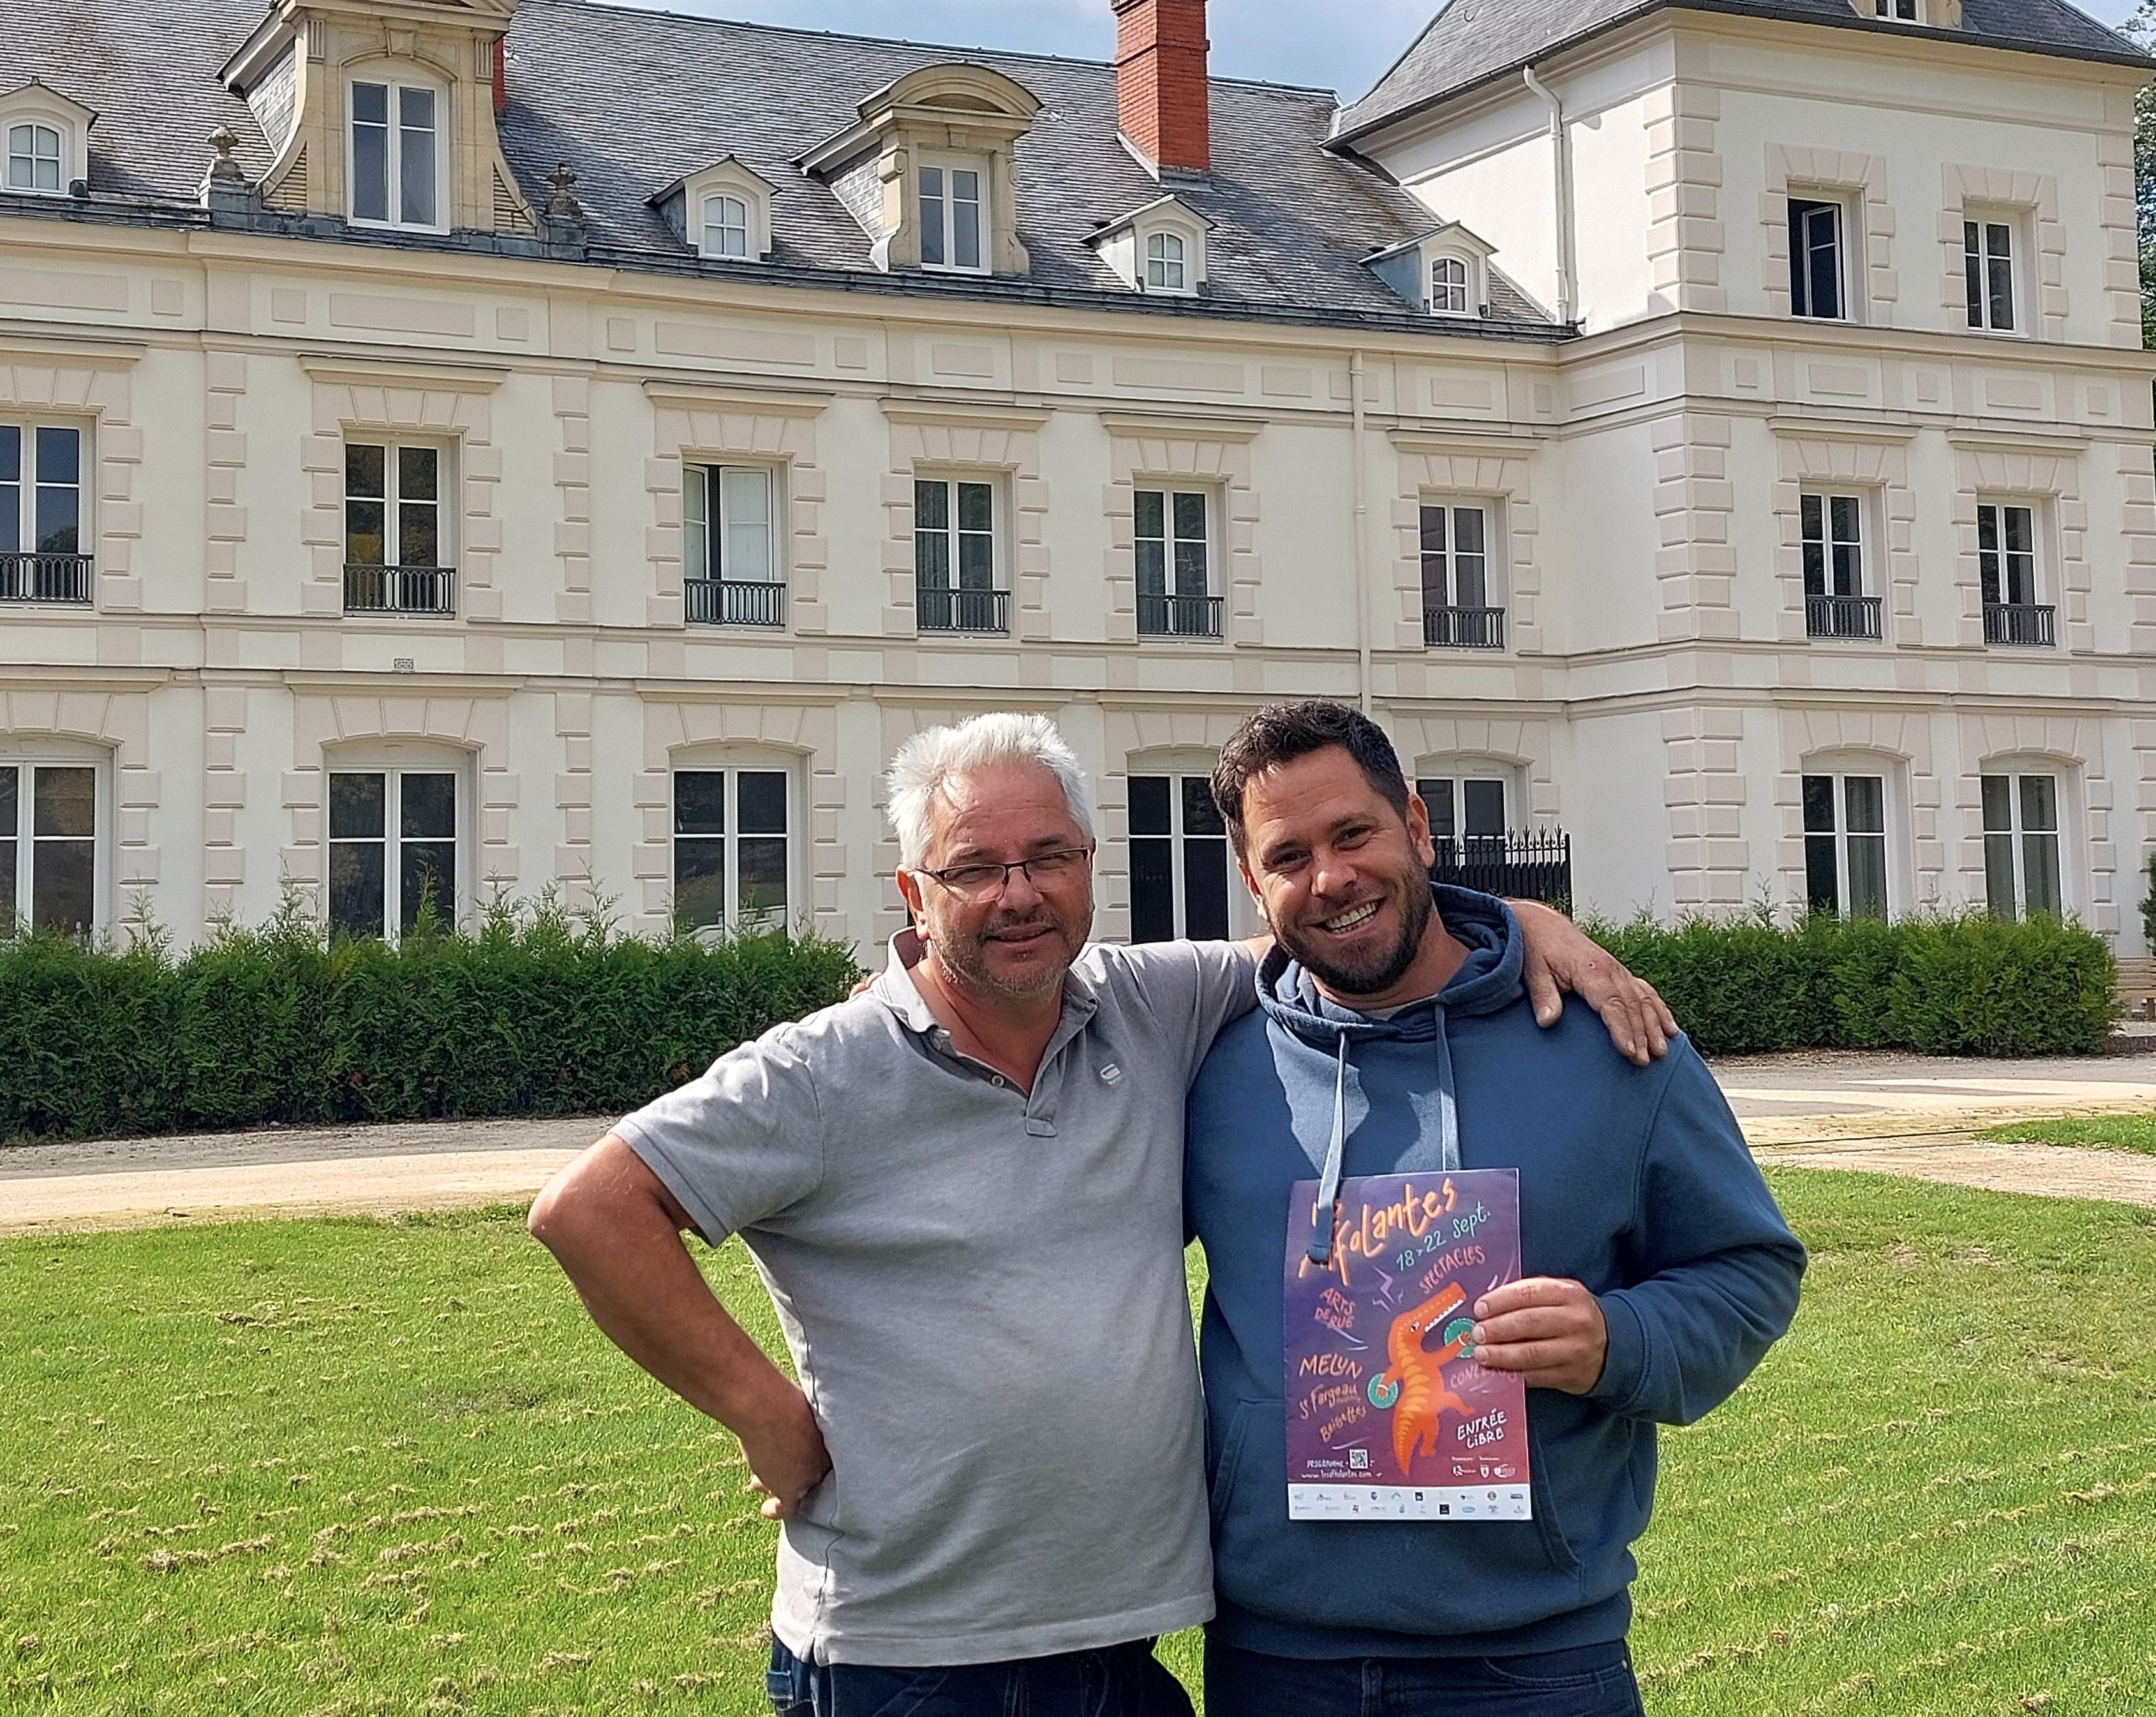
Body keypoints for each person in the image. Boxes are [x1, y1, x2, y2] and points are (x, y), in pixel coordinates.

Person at [528, 712, 1675, 1716]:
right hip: (908, 1653)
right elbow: (591, 1209)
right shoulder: (822, 1071)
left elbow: (1340, 928)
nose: (1017, 893)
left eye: (1047, 858)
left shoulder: (1155, 1007)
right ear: (913, 897)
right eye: (973, 867)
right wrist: (763, 1416)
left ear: (1090, 867)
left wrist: (1521, 919)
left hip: (1122, 1642)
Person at [1184, 701, 1804, 1714]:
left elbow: (1749, 1268)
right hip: (1276, 1655)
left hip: (1538, 1655)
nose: (1331, 878)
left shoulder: (1608, 1038)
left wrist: (1618, 1338)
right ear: (1253, 883)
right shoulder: (1210, 1059)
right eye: (1288, 855)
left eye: (1355, 834)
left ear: (1419, 828)